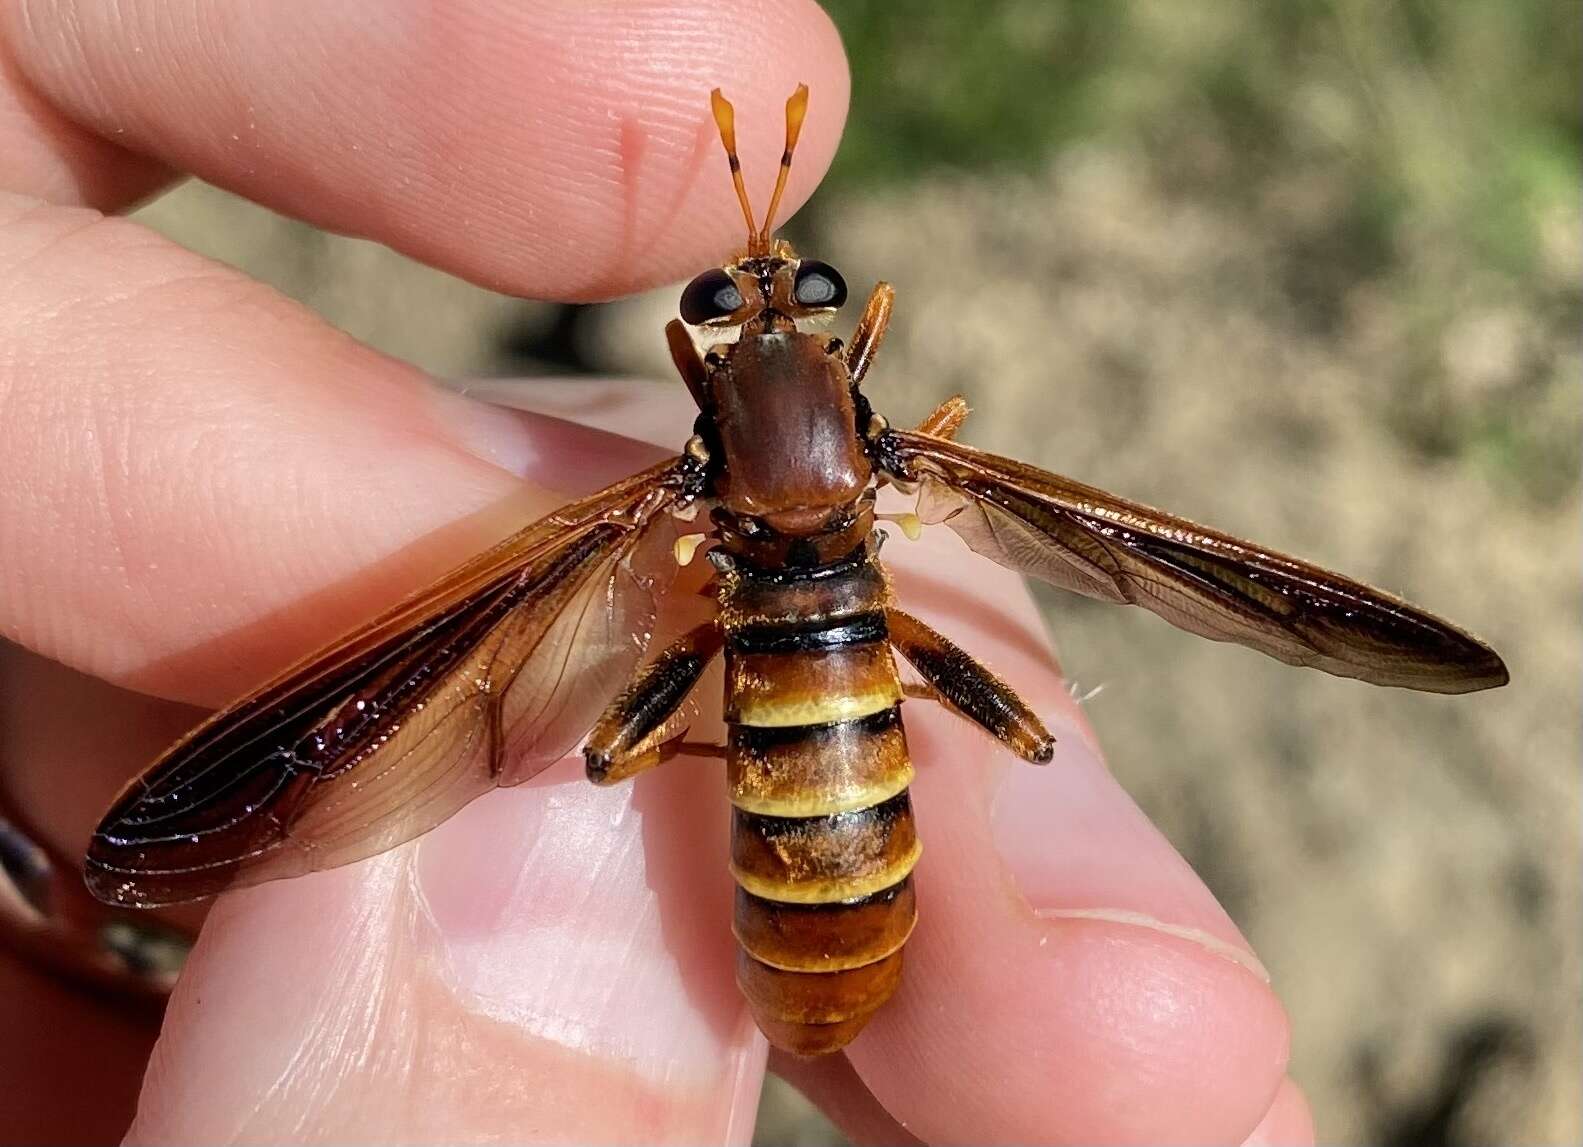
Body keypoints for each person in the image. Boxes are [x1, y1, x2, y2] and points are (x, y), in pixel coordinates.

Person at [0, 2, 1313, 1142]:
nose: (769, 304)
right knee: (1004, 739)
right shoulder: (890, 454)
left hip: (799, 820)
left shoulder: (683, 462)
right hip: (845, 768)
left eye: (779, 300)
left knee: (591, 750)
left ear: (708, 364)